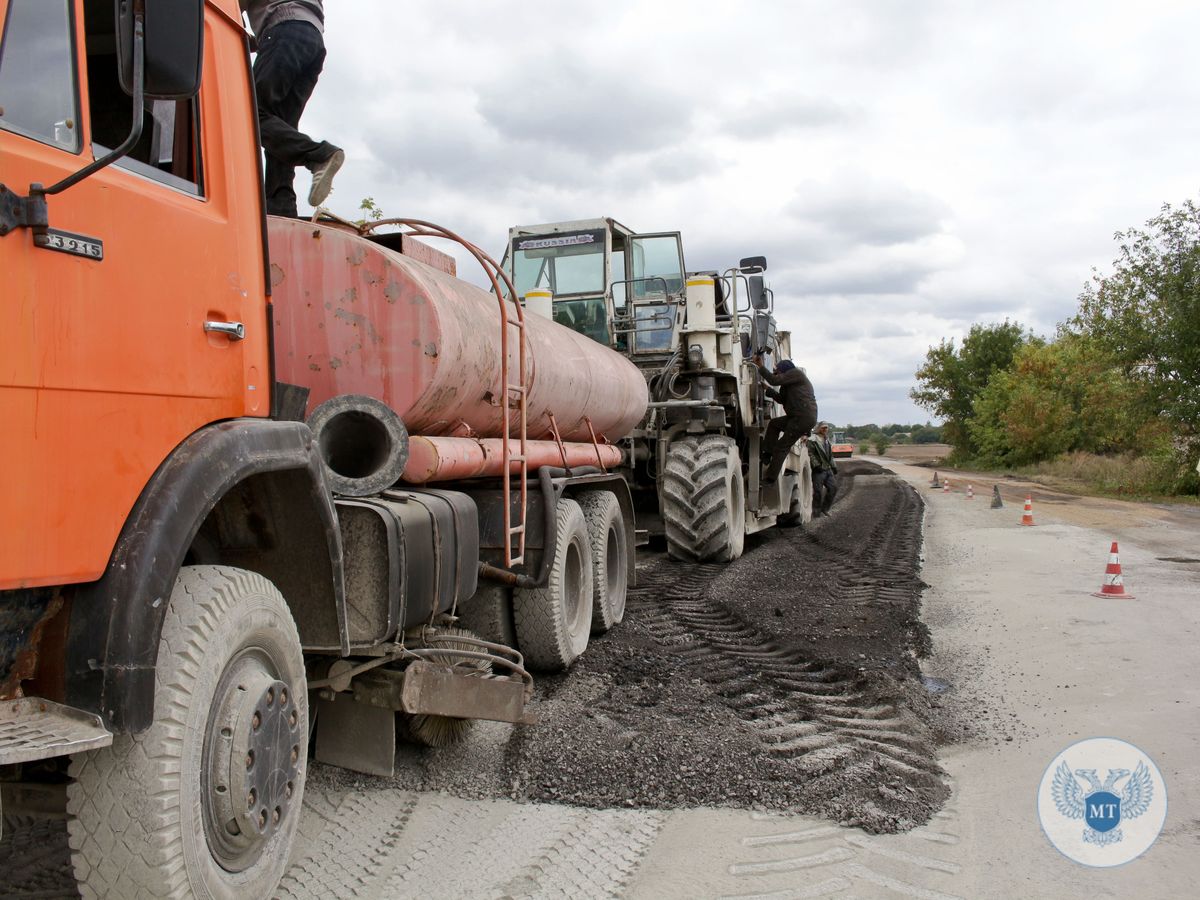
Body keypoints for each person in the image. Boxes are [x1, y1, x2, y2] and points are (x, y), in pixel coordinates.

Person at [242, 0, 344, 216]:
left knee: (247, 112)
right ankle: (282, 205)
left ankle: (318, 155)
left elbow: (225, 6)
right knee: (279, 127)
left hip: (282, 30)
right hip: (312, 40)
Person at [753, 355, 818, 486]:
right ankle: (767, 452)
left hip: (801, 417)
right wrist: (767, 390)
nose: (776, 372)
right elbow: (781, 399)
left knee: (781, 447)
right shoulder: (788, 384)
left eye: (778, 370)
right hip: (798, 417)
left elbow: (774, 380)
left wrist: (760, 366)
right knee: (774, 424)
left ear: (784, 370)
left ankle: (770, 479)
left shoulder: (796, 374)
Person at [809, 422, 839, 517]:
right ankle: (816, 512)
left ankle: (825, 509)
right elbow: (810, 453)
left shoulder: (827, 440)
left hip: (828, 469)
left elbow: (830, 456)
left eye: (826, 428)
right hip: (818, 470)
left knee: (833, 488)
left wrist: (834, 467)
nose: (825, 430)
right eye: (823, 428)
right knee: (818, 491)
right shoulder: (812, 440)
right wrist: (816, 465)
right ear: (818, 428)